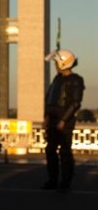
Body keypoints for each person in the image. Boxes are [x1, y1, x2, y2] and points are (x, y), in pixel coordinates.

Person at [41, 49, 84, 192]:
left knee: (65, 151)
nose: (55, 65)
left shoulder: (76, 80)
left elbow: (75, 103)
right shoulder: (57, 79)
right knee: (50, 150)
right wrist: (46, 117)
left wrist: (63, 120)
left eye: (56, 62)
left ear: (63, 62)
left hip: (65, 120)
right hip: (53, 119)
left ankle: (66, 181)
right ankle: (52, 179)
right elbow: (49, 99)